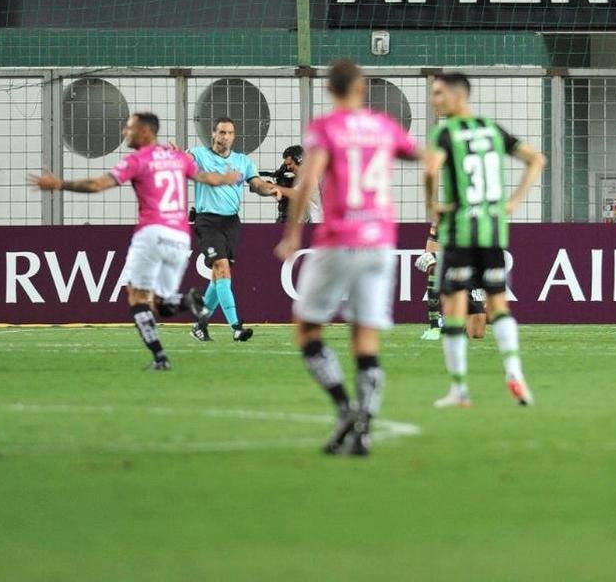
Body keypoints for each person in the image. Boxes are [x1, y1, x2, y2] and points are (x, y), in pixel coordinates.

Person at [274, 59, 419, 456]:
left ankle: (344, 409)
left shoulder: (325, 128)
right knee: (366, 341)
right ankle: (365, 429)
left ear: (329, 89)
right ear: (361, 89)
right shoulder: (384, 125)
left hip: (339, 241)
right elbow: (419, 155)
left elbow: (307, 180)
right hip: (379, 244)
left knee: (307, 330)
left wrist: (291, 234)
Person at [28, 112, 240, 369]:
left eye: (129, 128)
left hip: (151, 233)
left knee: (137, 298)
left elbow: (97, 185)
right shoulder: (175, 157)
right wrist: (227, 179)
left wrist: (59, 184)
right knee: (160, 304)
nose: (124, 133)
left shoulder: (138, 159)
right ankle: (188, 302)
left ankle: (160, 357)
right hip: (180, 237)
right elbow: (206, 178)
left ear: (145, 132)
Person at [424, 72, 547, 408]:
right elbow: (537, 160)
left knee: (454, 305)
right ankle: (514, 373)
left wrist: (432, 205)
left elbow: (430, 170)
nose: (434, 100)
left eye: (438, 93)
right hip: (493, 230)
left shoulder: (445, 133)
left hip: (460, 231)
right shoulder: (493, 129)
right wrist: (515, 201)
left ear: (457, 95)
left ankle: (460, 389)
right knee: (499, 303)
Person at [187, 116, 282, 343]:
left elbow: (256, 184)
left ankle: (199, 326)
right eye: (221, 132)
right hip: (207, 220)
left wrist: (269, 190)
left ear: (234, 136)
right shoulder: (200, 155)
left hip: (230, 223)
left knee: (219, 276)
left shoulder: (243, 161)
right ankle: (236, 327)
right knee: (222, 268)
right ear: (213, 134)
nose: (225, 137)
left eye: (229, 133)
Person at [414, 221, 488, 341]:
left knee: (477, 332)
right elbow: (429, 256)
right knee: (432, 265)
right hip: (450, 263)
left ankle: (454, 318)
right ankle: (436, 324)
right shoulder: (445, 218)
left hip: (472, 269)